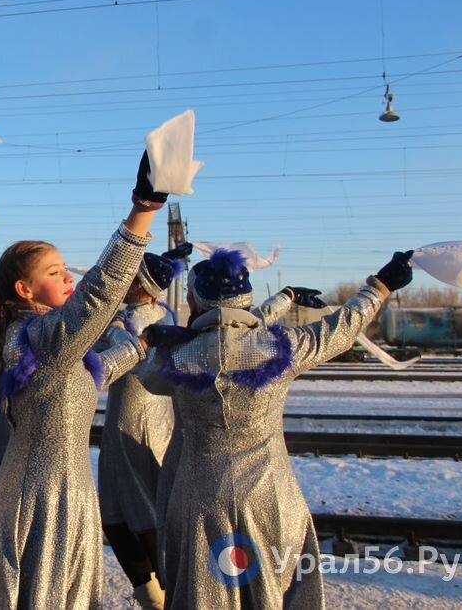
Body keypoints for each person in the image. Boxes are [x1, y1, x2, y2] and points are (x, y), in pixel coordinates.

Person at [0, 146, 164, 608]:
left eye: (65, 268)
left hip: (59, 487)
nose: (68, 276)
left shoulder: (47, 340)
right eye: (54, 272)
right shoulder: (43, 334)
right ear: (24, 290)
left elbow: (97, 371)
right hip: (45, 496)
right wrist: (141, 215)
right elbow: (98, 293)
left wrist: (145, 345)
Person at [142, 247, 414, 609]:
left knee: (204, 592)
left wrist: (152, 342)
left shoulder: (175, 358)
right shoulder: (285, 348)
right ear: (246, 297)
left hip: (198, 494)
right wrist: (380, 286)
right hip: (271, 491)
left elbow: (146, 376)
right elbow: (343, 326)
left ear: (194, 299)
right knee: (272, 588)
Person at [96, 244, 190, 609]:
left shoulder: (126, 322)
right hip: (157, 416)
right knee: (146, 504)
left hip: (130, 418)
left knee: (125, 511)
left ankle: (158, 592)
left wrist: (117, 327)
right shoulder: (162, 315)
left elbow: (120, 358)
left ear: (138, 285)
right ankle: (160, 589)